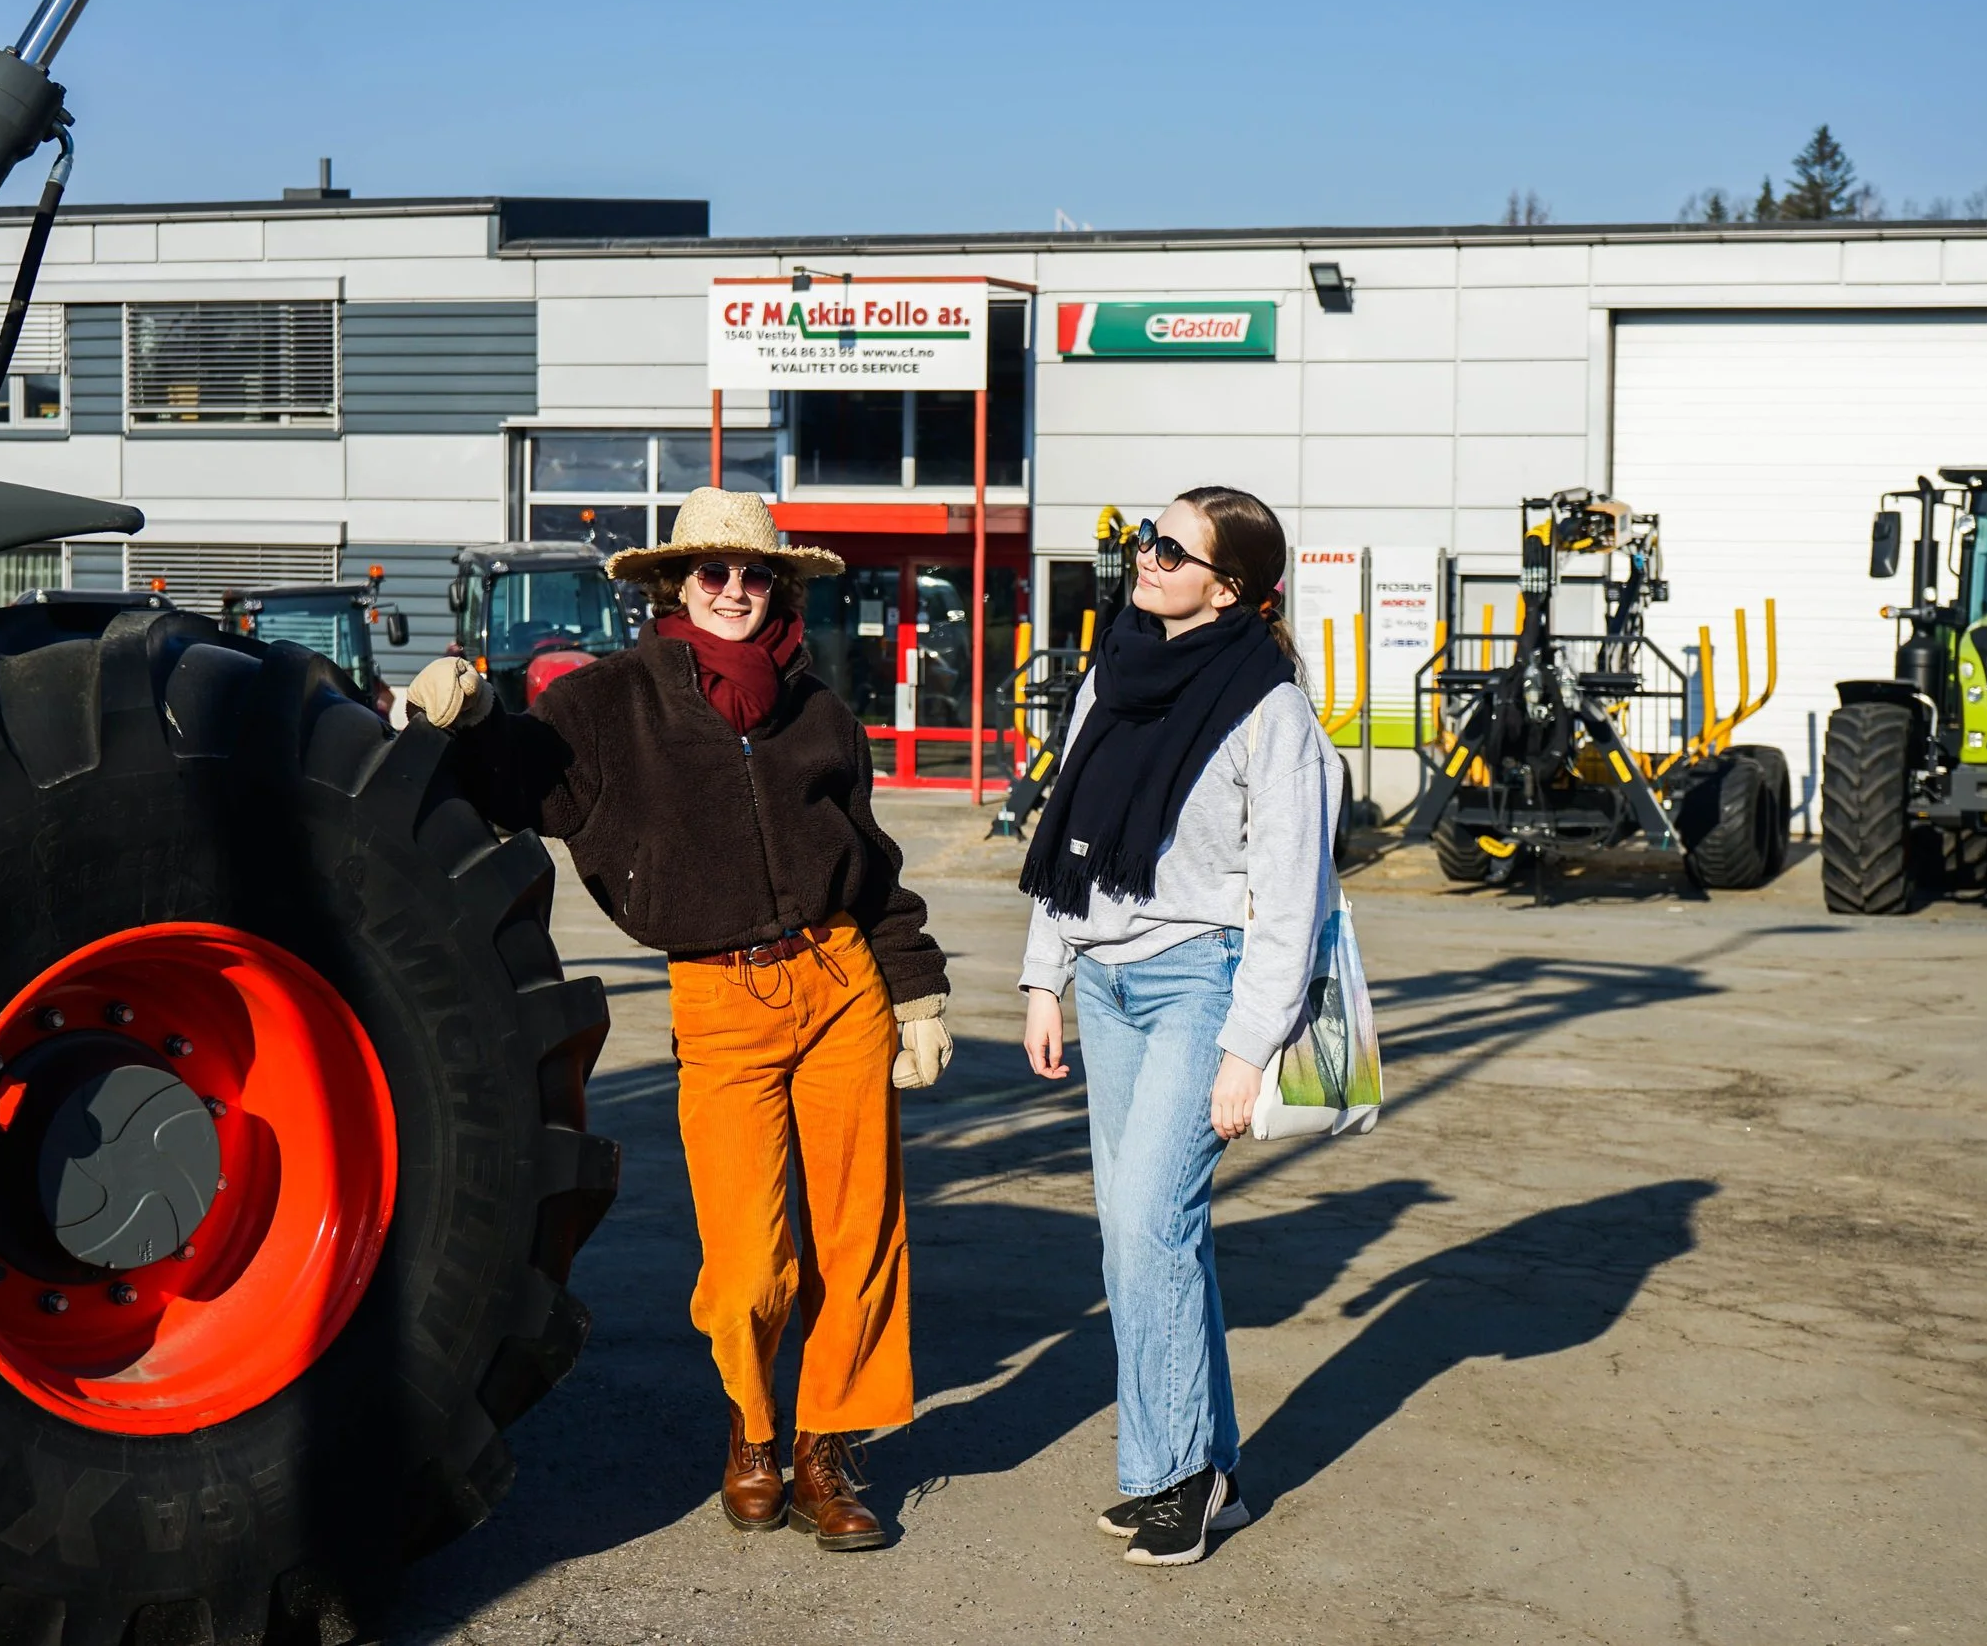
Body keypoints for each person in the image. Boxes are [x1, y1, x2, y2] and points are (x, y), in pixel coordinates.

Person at [406, 486, 953, 1553]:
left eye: (755, 574)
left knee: (861, 1233)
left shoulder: (821, 711)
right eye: (713, 573)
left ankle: (825, 1444)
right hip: (719, 993)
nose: (736, 590)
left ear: (779, 586)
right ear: (673, 585)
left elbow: (871, 867)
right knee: (747, 1255)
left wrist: (915, 982)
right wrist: (466, 719)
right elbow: (520, 781)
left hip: (839, 979)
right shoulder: (611, 700)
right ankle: (753, 1426)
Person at [1019, 486, 1336, 1567]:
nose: (1142, 557)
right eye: (1144, 540)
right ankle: (1205, 1468)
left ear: (1230, 585)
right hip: (1104, 984)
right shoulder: (1113, 674)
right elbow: (1069, 827)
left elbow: (1294, 896)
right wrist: (1042, 974)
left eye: (1168, 547)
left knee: (1146, 1228)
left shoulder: (1270, 707)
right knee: (1142, 1234)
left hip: (1203, 983)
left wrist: (1250, 1050)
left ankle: (1177, 1476)